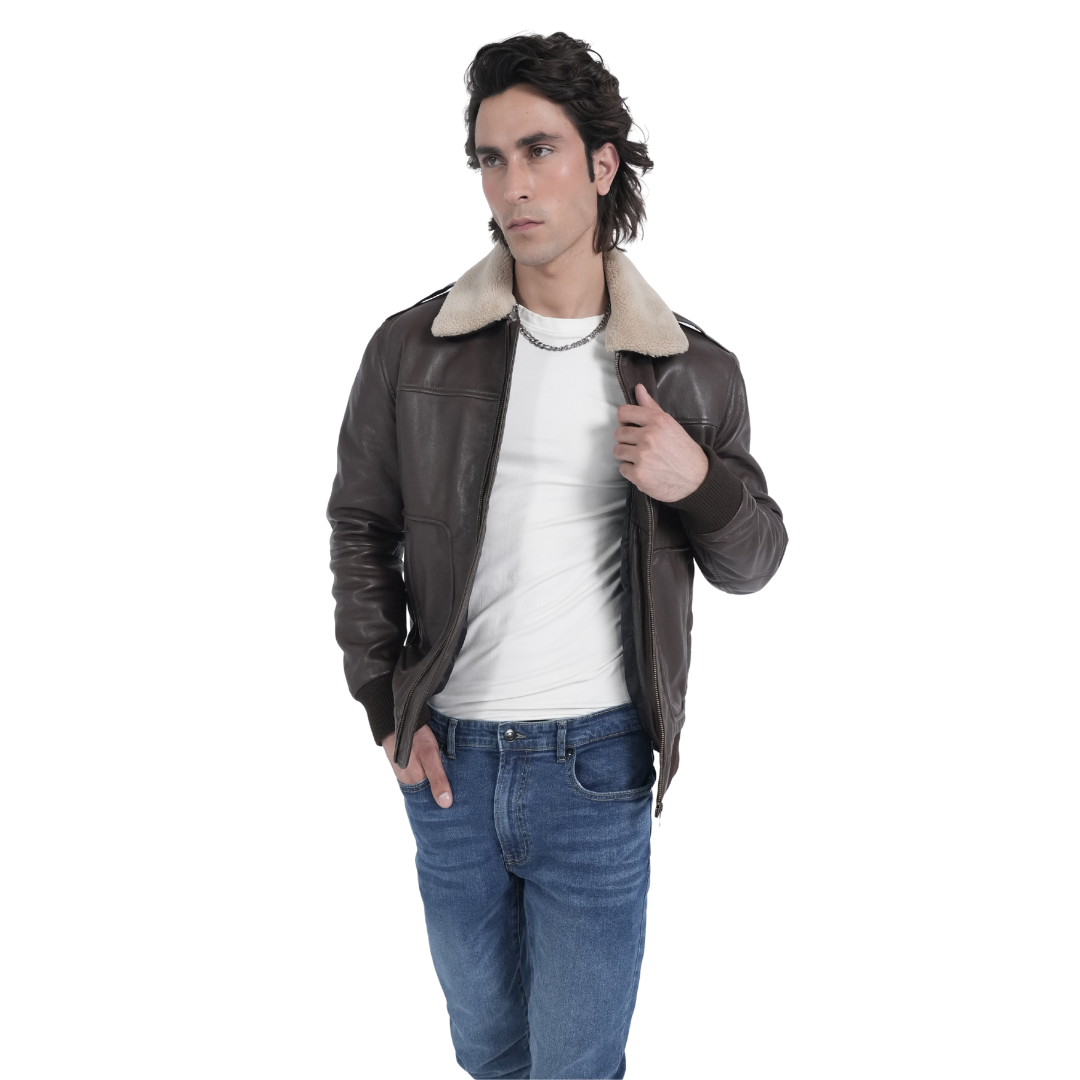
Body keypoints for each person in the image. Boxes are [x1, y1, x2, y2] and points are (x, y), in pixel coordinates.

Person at [327, 31, 787, 1080]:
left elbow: (756, 558)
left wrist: (696, 481)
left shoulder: (690, 369)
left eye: (539, 151)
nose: (513, 186)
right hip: (448, 761)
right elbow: (361, 527)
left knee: (575, 1064)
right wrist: (384, 702)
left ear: (602, 164)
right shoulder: (410, 349)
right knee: (489, 1054)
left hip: (598, 767)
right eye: (491, 160)